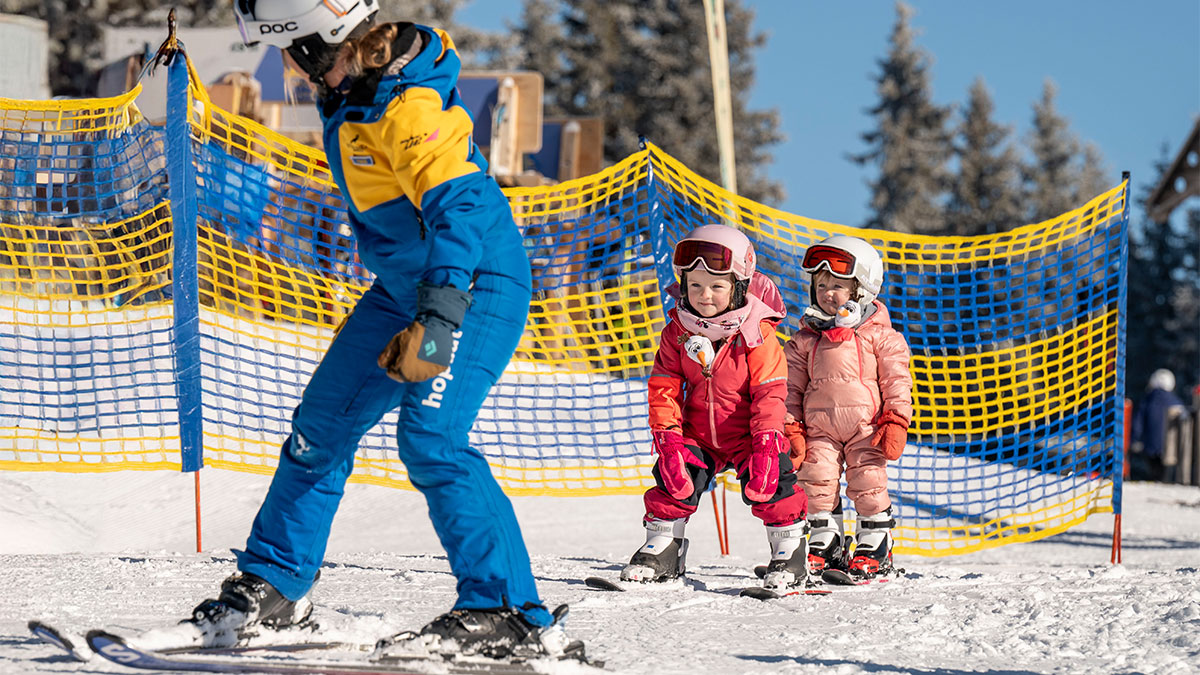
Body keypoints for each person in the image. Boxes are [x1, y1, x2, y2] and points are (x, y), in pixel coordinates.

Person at [178, 0, 585, 662]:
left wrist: (439, 322)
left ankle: (511, 613)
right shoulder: (354, 94)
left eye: (289, 49)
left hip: (472, 284)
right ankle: (278, 585)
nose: (287, 66)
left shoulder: (406, 106)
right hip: (404, 288)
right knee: (320, 427)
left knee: (432, 437)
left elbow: (459, 211)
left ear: (318, 44)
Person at [621, 224, 811, 591]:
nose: (704, 296)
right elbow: (664, 387)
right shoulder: (678, 331)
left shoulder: (757, 334)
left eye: (716, 286)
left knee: (773, 479)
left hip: (748, 434)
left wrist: (766, 444)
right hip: (699, 434)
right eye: (695, 285)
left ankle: (789, 550)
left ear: (738, 286)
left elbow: (770, 393)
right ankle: (663, 546)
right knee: (675, 477)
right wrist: (669, 439)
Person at [783, 234, 912, 580]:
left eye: (838, 286)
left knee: (868, 481)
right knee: (816, 480)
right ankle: (825, 540)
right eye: (821, 285)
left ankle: (874, 542)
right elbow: (790, 387)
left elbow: (897, 380)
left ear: (863, 291)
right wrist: (791, 426)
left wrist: (896, 419)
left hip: (866, 427)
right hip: (819, 429)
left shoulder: (880, 336)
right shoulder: (805, 339)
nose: (827, 293)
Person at [1130, 368, 1186, 482]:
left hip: (1150, 446)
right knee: (1165, 475)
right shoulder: (1176, 402)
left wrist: (1135, 439)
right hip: (1171, 447)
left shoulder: (1148, 400)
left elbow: (1138, 422)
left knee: (1154, 473)